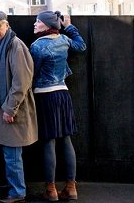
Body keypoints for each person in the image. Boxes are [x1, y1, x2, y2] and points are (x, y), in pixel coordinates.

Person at [30, 11, 86, 202]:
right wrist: (69, 26)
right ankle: (71, 187)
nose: (35, 24)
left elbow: (33, 73)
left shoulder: (37, 46)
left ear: (46, 25)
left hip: (45, 96)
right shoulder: (64, 39)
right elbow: (81, 45)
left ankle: (51, 190)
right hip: (63, 93)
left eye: (38, 22)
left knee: (48, 141)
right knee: (66, 139)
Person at [0, 11, 38, 203]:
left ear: (6, 25)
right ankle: (14, 188)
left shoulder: (15, 45)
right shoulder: (0, 45)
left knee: (13, 154)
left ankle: (17, 193)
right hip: (4, 108)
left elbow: (21, 81)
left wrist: (9, 108)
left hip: (13, 110)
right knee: (10, 154)